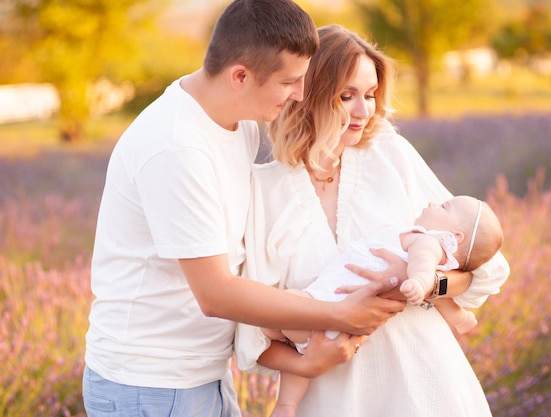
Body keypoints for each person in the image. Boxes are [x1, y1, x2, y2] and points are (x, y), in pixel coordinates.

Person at [82, 3, 406, 416]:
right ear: (240, 76)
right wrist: (340, 313)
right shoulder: (176, 147)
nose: (300, 94)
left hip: (203, 374)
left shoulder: (239, 121)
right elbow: (215, 293)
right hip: (151, 384)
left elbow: (306, 135)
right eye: (289, 81)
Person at [236, 24, 510, 417]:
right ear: (306, 94)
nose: (364, 111)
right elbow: (254, 331)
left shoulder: (390, 154)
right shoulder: (263, 190)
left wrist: (428, 281)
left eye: (369, 95)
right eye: (346, 96)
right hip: (332, 398)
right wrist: (305, 367)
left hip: (427, 388)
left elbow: (481, 266)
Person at [261, 195, 503, 416]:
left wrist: (418, 280)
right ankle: (286, 405)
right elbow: (442, 300)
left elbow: (424, 264)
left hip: (326, 308)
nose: (431, 203)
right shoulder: (417, 238)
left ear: (454, 237)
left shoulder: (428, 241)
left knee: (279, 318)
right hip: (331, 322)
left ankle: (286, 402)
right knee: (298, 348)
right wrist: (458, 317)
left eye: (443, 207)